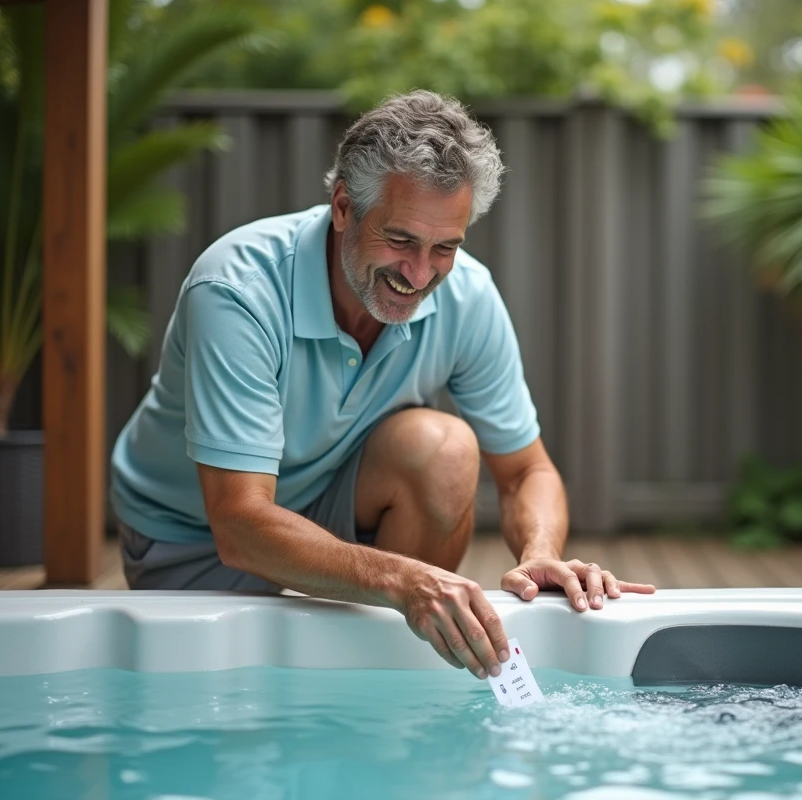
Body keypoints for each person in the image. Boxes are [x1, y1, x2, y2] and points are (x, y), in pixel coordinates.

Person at [109, 90, 654, 681]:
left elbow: (527, 473)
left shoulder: (468, 294)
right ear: (344, 206)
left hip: (331, 510)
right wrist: (402, 578)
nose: (420, 275)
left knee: (445, 450)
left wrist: (541, 553)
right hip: (194, 539)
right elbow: (240, 525)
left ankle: (382, 685)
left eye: (444, 247)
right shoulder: (237, 290)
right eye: (400, 241)